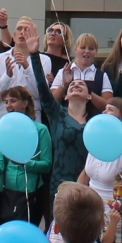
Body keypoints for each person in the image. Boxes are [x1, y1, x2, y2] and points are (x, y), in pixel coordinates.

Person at [0, 88, 51, 223]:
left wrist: (26, 163)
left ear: (25, 104)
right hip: (6, 193)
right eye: (6, 102)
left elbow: (47, 165)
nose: (8, 105)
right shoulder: (2, 131)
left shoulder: (40, 130)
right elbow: (0, 167)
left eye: (13, 101)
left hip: (30, 192)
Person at [32, 54, 92, 197]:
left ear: (89, 96)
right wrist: (34, 54)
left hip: (86, 186)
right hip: (59, 184)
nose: (76, 85)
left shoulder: (95, 123)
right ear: (66, 96)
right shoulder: (57, 114)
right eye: (72, 85)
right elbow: (42, 86)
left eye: (81, 84)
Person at [81, 98, 122, 201]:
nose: (104, 112)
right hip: (89, 205)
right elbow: (85, 175)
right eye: (105, 109)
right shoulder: (95, 143)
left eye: (110, 110)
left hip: (111, 208)